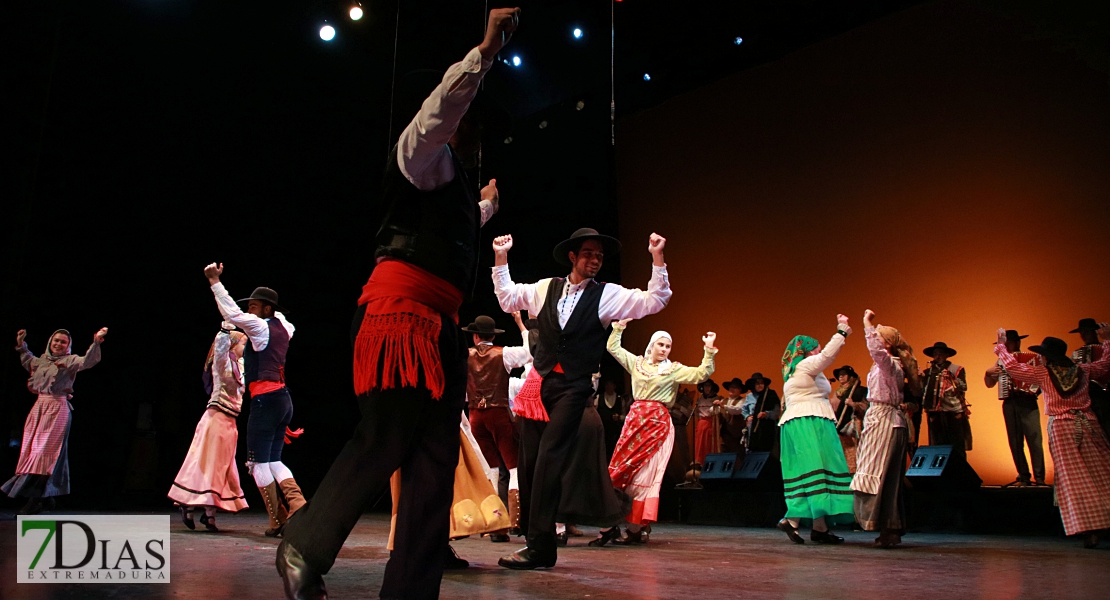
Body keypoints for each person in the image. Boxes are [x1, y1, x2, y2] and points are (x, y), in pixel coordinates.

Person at [276, 9, 521, 600]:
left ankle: (410, 591)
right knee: (386, 436)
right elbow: (441, 111)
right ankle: (303, 544)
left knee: (434, 463)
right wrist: (485, 50)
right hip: (398, 317)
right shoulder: (418, 149)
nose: (472, 130)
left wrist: (484, 207)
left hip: (439, 329)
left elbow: (448, 227)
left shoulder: (451, 181)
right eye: (468, 122)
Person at [491, 226, 671, 569]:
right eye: (588, 253)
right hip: (541, 385)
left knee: (548, 459)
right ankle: (537, 543)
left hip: (574, 387)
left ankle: (541, 546)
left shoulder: (607, 295)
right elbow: (508, 298)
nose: (595, 260)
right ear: (573, 256)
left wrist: (657, 257)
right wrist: (501, 258)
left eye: (600, 256)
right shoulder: (546, 288)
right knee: (529, 465)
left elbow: (655, 300)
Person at [205, 264, 305, 538]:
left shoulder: (261, 327)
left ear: (266, 310)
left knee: (257, 463)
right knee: (273, 460)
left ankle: (277, 520)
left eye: (254, 306)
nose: (249, 311)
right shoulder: (285, 325)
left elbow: (231, 313)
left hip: (266, 402)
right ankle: (298, 506)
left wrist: (214, 281)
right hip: (283, 399)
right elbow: (284, 319)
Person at [594, 321, 716, 544]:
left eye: (668, 346)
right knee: (621, 470)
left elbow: (701, 374)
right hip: (635, 422)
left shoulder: (673, 369)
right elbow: (614, 348)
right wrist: (618, 328)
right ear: (652, 345)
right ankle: (612, 522)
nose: (664, 349)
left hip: (658, 424)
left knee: (647, 474)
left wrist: (708, 351)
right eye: (661, 344)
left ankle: (635, 527)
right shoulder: (637, 364)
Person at [995, 327, 1110, 548]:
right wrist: (1107, 342)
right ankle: (1102, 520)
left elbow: (1012, 368)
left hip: (1063, 426)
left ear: (1048, 356)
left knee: (1073, 479)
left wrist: (1001, 347)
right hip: (1088, 424)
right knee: (1102, 472)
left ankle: (1088, 528)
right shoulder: (1082, 370)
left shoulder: (1043, 373)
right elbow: (1105, 366)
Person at [4, 327, 107, 514]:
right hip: (38, 408)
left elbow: (87, 361)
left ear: (68, 346)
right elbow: (28, 360)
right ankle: (46, 497)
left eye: (63, 342)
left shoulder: (70, 360)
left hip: (57, 409)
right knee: (32, 452)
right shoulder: (41, 361)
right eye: (56, 341)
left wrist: (96, 342)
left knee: (46, 454)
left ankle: (35, 499)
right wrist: (21, 345)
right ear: (50, 342)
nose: (58, 344)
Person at [775, 315, 854, 545]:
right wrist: (841, 332)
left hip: (801, 421)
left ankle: (816, 526)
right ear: (808, 350)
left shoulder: (797, 372)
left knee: (810, 471)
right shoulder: (805, 365)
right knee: (818, 468)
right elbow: (828, 355)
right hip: (809, 421)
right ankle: (793, 520)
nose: (819, 349)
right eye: (816, 346)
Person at [168, 324, 250, 531]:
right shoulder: (222, 364)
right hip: (216, 419)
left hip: (231, 422)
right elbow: (220, 351)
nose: (245, 347)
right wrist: (224, 332)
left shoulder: (240, 365)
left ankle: (209, 515)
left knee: (221, 468)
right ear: (233, 345)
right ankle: (189, 505)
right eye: (243, 343)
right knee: (207, 465)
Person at [851, 310, 920, 548]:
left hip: (886, 422)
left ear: (888, 344)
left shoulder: (890, 364)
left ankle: (887, 527)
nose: (876, 340)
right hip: (883, 420)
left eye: (879, 337)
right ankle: (888, 528)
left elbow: (876, 351)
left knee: (881, 476)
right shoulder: (886, 365)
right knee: (885, 476)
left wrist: (866, 323)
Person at [463, 314, 531, 542]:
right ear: (492, 335)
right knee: (512, 467)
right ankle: (514, 522)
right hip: (498, 414)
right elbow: (530, 351)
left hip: (475, 416)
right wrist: (522, 326)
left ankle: (494, 525)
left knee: (491, 469)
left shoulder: (465, 356)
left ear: (474, 337)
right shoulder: (504, 353)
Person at [984, 330, 1046, 487]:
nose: (1006, 346)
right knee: (1015, 440)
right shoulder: (1000, 362)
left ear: (1017, 343)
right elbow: (990, 384)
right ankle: (1023, 476)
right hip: (1010, 402)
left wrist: (1033, 389)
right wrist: (988, 373)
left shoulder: (1032, 359)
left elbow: (1041, 379)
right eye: (1004, 344)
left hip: (1028, 401)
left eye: (1009, 343)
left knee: (1034, 439)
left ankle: (1039, 478)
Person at [921, 342, 971, 461]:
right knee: (937, 442)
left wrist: (954, 381)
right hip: (935, 411)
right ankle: (941, 471)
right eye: (935, 354)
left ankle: (960, 471)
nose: (937, 356)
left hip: (953, 410)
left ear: (946, 355)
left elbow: (963, 386)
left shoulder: (956, 369)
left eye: (940, 353)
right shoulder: (928, 372)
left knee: (957, 442)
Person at [1070, 318, 1110, 433]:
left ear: (1095, 332)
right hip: (1090, 395)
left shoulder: (1105, 348)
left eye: (1086, 332)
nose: (1083, 336)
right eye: (1081, 333)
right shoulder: (1078, 353)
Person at [831, 365, 868, 473]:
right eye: (839, 375)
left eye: (844, 374)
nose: (840, 377)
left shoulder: (859, 391)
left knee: (855, 451)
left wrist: (853, 404)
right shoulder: (837, 393)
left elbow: (866, 406)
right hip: (839, 426)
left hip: (853, 425)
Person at [741, 373, 780, 453]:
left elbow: (777, 411)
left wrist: (767, 414)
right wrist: (747, 416)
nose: (760, 385)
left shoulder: (771, 395)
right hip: (753, 428)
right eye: (757, 383)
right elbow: (744, 410)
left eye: (761, 383)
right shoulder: (749, 396)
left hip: (768, 427)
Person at [595, 379, 629, 459]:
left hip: (615, 432)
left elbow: (625, 416)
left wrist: (619, 417)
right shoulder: (599, 397)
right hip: (603, 431)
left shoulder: (620, 399)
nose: (609, 387)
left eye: (611, 385)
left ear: (614, 386)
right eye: (607, 385)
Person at [692, 379, 722, 465]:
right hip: (701, 423)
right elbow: (696, 412)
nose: (707, 388)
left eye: (709, 386)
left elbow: (717, 411)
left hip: (711, 423)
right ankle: (699, 463)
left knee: (709, 444)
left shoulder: (717, 398)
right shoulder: (700, 399)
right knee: (699, 445)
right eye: (705, 386)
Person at [717, 378, 748, 453]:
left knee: (737, 454)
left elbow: (737, 410)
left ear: (740, 390)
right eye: (731, 387)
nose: (732, 389)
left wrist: (724, 406)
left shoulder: (742, 401)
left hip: (736, 434)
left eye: (735, 387)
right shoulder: (723, 400)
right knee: (724, 454)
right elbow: (712, 411)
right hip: (724, 434)